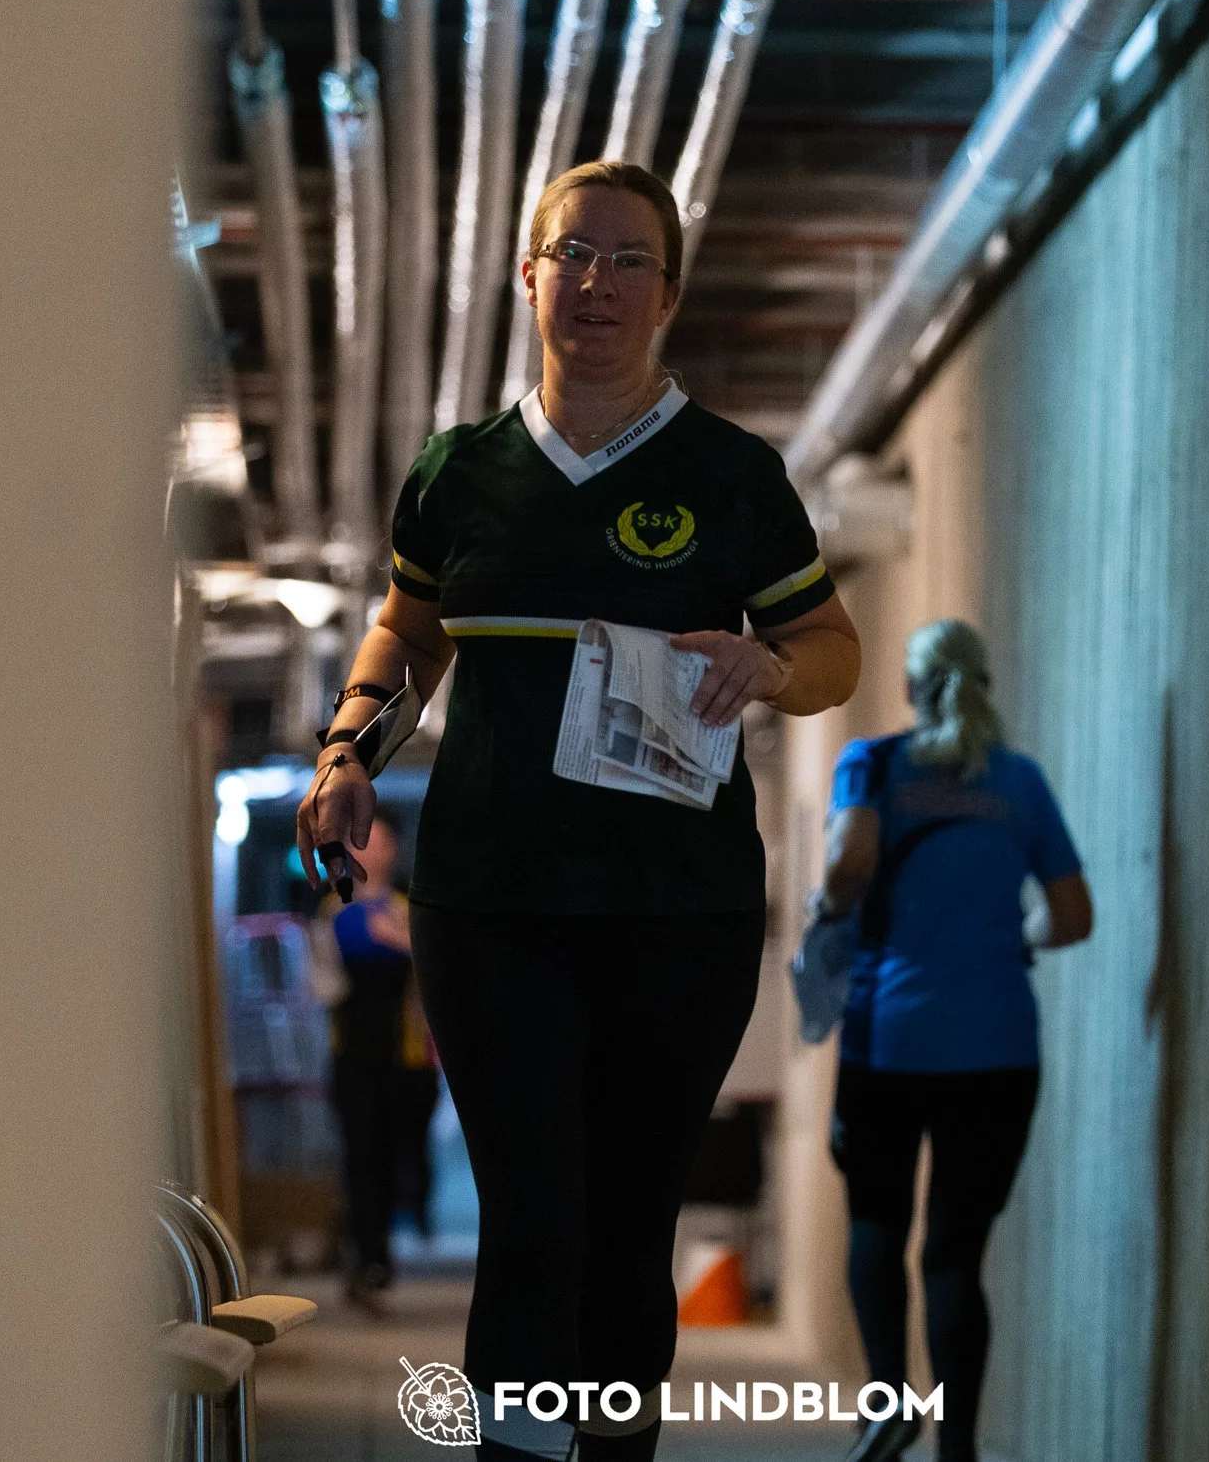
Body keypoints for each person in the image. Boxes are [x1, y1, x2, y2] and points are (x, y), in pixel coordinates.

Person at [297, 159, 861, 1462]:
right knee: (533, 1215)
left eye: (628, 260)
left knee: (623, 1225)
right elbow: (409, 631)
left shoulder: (731, 475)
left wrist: (773, 669)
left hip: (680, 909)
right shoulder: (460, 473)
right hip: (490, 903)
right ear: (528, 274)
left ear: (666, 293)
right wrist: (346, 750)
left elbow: (831, 645)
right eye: (574, 254)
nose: (597, 282)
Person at [814, 621, 1093, 1462]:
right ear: (983, 682)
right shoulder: (1019, 781)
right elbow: (1071, 915)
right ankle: (960, 1447)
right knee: (954, 1252)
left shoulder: (874, 763)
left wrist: (828, 913)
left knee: (876, 1219)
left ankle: (890, 1402)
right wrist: (1010, 937)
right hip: (1000, 1048)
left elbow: (846, 869)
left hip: (889, 1039)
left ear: (911, 687)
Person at [316, 812, 440, 1316]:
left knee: (401, 1154)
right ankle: (371, 1258)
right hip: (354, 1056)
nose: (369, 850)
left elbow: (442, 978)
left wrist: (403, 943)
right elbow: (321, 985)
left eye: (378, 841)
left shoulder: (413, 912)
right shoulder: (331, 912)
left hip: (408, 1058)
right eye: (359, 842)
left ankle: (393, 1229)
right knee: (361, 1154)